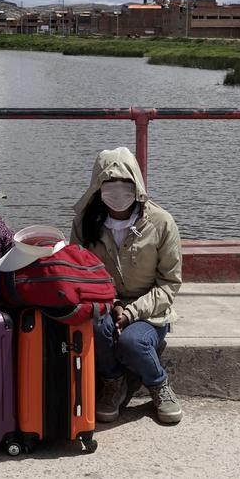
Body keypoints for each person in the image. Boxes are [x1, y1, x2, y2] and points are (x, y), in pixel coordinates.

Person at [71, 147, 183, 424]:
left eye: (126, 185)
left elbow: (169, 283)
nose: (118, 192)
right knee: (95, 325)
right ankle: (113, 381)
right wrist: (113, 305)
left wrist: (132, 312)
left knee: (133, 341)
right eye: (110, 185)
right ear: (98, 187)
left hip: (150, 309)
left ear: (137, 185)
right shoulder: (85, 223)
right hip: (104, 303)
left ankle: (158, 384)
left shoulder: (161, 222)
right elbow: (79, 273)